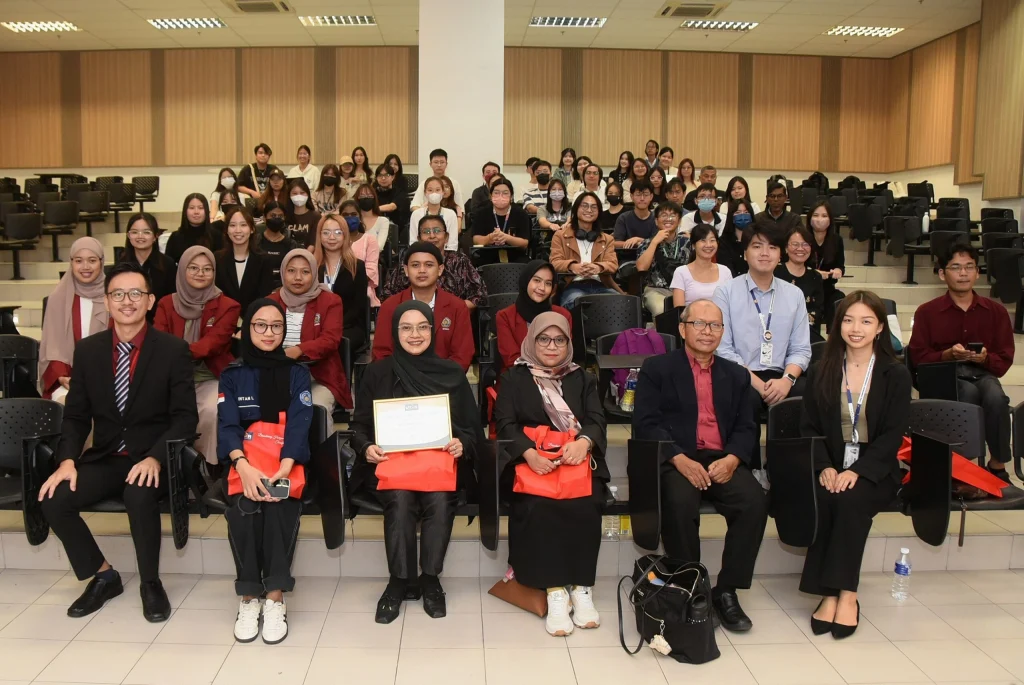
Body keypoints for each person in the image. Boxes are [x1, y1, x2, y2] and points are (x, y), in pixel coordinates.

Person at [38, 261, 197, 622]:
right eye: (118, 294)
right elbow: (76, 416)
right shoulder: (89, 351)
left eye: (136, 293)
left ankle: (150, 583)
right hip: (108, 455)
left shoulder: (173, 350)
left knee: (138, 494)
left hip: (153, 457)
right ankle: (104, 575)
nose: (127, 301)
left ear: (150, 300)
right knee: (53, 497)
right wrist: (67, 460)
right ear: (107, 302)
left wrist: (156, 457)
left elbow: (185, 417)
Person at [632, 298, 766, 633]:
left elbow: (747, 426)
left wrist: (733, 458)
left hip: (722, 458)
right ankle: (690, 587)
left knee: (753, 501)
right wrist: (678, 458)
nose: (707, 331)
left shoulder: (736, 375)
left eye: (715, 325)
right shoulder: (657, 369)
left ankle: (727, 590)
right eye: (699, 323)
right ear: (682, 329)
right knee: (679, 502)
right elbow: (646, 423)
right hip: (676, 457)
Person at [350, 300, 481, 624]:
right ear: (394, 332)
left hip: (439, 465)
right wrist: (366, 447)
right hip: (391, 466)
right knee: (400, 498)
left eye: (423, 327)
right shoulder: (377, 373)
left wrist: (462, 443)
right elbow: (359, 426)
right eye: (406, 328)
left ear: (433, 331)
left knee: (440, 498)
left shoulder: (451, 373)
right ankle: (398, 581)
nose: (415, 334)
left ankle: (430, 579)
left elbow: (472, 429)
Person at [798, 291, 910, 639]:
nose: (855, 328)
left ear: (880, 328)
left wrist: (858, 471)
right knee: (827, 496)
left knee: (850, 500)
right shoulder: (822, 369)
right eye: (848, 320)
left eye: (865, 321)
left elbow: (893, 435)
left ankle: (845, 594)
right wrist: (824, 466)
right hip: (831, 463)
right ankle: (830, 593)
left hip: (876, 467)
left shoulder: (895, 373)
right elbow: (809, 426)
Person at [494, 312, 607, 636]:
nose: (552, 346)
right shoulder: (514, 378)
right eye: (544, 339)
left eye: (559, 340)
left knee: (586, 503)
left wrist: (584, 443)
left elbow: (597, 420)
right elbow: (505, 424)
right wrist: (528, 453)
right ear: (532, 340)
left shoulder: (582, 378)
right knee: (538, 506)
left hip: (575, 461)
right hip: (530, 463)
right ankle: (555, 591)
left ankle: (581, 588)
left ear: (569, 343)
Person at [219, 298, 313, 645]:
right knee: (245, 509)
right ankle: (248, 596)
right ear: (247, 328)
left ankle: (274, 597)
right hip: (244, 463)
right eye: (260, 325)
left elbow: (300, 424)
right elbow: (227, 425)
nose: (268, 332)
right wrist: (242, 466)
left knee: (279, 508)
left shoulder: (297, 373)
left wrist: (286, 465)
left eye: (276, 326)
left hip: (286, 462)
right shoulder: (232, 374)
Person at [907, 244, 1015, 480]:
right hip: (943, 374)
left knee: (996, 398)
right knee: (967, 394)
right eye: (956, 267)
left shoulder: (996, 312)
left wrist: (985, 358)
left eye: (969, 267)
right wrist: (946, 355)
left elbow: (1004, 360)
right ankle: (963, 468)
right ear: (942, 273)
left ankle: (997, 464)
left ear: (977, 273)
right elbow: (917, 358)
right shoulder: (927, 312)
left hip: (981, 372)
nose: (963, 273)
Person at [713, 225, 811, 468]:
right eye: (757, 246)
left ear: (780, 255)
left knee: (807, 396)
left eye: (772, 247)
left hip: (781, 375)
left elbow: (801, 349)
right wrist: (757, 383)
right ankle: (750, 468)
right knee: (745, 397)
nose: (765, 253)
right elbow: (723, 349)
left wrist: (787, 380)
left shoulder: (794, 294)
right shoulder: (726, 292)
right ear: (745, 253)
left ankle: (785, 469)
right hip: (740, 374)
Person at [154, 246, 240, 463]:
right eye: (193, 268)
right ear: (182, 269)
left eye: (207, 269)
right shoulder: (166, 304)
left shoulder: (228, 306)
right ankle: (166, 465)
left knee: (211, 410)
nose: (200, 273)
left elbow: (212, 344)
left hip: (209, 377)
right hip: (170, 378)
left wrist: (176, 352)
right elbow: (158, 341)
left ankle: (205, 467)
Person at [269, 249, 351, 418]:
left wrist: (299, 350)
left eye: (305, 272)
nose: (298, 277)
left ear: (314, 273)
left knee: (313, 411)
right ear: (283, 272)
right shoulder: (270, 302)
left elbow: (330, 340)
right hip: (274, 374)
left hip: (317, 376)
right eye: (291, 271)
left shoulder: (330, 301)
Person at [373, 241, 475, 370]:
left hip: (445, 378)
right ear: (406, 270)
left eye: (429, 265)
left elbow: (462, 355)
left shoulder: (457, 307)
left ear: (440, 270)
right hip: (400, 379)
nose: (422, 270)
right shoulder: (390, 306)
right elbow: (382, 354)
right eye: (415, 265)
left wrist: (439, 378)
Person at [39, 237, 109, 402]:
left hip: (108, 376)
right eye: (78, 261)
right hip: (68, 377)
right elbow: (52, 346)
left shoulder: (113, 295)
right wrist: (62, 376)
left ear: (101, 262)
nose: (85, 267)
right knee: (69, 403)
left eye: (92, 260)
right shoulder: (58, 298)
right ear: (71, 263)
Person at [383, 215, 487, 310]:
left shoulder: (459, 261)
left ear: (446, 237)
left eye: (437, 231)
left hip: (453, 316)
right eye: (426, 232)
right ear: (419, 238)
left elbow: (479, 295)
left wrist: (454, 309)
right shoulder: (409, 262)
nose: (432, 236)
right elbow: (388, 295)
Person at [496, 261, 572, 370]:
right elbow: (511, 358)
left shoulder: (563, 315)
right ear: (526, 281)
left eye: (548, 283)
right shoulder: (505, 316)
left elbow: (564, 354)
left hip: (556, 374)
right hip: (519, 374)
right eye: (537, 280)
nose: (542, 288)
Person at [550, 192, 620, 309]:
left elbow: (613, 264)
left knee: (622, 303)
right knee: (578, 302)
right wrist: (573, 266)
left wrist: (598, 267)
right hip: (572, 286)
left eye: (594, 207)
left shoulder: (607, 239)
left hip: (601, 285)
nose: (589, 210)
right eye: (584, 206)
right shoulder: (560, 236)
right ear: (576, 209)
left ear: (599, 212)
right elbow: (555, 262)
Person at [313, 213, 370, 353]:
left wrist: (333, 326)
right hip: (316, 324)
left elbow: (358, 307)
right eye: (326, 233)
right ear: (319, 236)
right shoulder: (311, 266)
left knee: (335, 343)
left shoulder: (357, 267)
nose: (332, 237)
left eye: (338, 232)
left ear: (345, 235)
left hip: (348, 326)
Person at [636, 201, 692, 317]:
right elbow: (641, 267)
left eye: (672, 215)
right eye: (664, 215)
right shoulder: (647, 243)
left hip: (685, 289)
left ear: (679, 221)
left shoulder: (688, 243)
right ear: (656, 221)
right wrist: (655, 242)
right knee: (661, 310)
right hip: (656, 290)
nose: (668, 219)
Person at [215, 207, 274, 316]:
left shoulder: (264, 260)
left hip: (254, 319)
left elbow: (264, 297)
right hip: (224, 318)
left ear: (252, 229)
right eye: (233, 225)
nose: (238, 230)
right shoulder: (217, 259)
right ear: (226, 230)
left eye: (243, 225)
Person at [121, 214, 175, 323]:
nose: (140, 236)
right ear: (128, 235)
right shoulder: (121, 265)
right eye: (135, 232)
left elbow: (171, 301)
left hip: (160, 323)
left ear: (155, 236)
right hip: (128, 321)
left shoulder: (167, 264)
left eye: (146, 232)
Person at [775, 226, 825, 342]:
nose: (800, 248)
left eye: (805, 244)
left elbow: (818, 310)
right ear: (786, 248)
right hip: (778, 332)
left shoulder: (815, 276)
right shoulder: (774, 273)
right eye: (795, 244)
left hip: (807, 333)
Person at [471, 178, 531, 266]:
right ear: (490, 196)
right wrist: (490, 238)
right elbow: (476, 240)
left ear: (511, 196)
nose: (500, 196)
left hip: (516, 256)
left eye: (505, 193)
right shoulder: (481, 213)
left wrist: (507, 238)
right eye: (496, 193)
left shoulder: (521, 213)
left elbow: (524, 243)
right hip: (487, 256)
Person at [671, 223, 733, 308]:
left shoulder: (725, 271)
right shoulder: (681, 272)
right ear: (693, 245)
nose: (708, 245)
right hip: (691, 316)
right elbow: (679, 310)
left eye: (712, 240)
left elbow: (731, 305)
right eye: (703, 240)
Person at [808, 200, 846, 324]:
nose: (820, 219)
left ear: (830, 220)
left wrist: (838, 271)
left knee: (839, 301)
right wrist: (815, 273)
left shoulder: (836, 240)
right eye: (816, 215)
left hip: (827, 288)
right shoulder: (803, 238)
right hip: (807, 288)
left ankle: (834, 334)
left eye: (824, 216)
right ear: (809, 218)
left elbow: (841, 266)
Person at [339, 201, 381, 309]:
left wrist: (350, 283)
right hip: (337, 284)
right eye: (345, 215)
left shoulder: (370, 239)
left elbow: (371, 270)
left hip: (362, 285)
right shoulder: (335, 239)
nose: (349, 218)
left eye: (353, 214)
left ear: (360, 217)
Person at [166, 194, 223, 264]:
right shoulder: (175, 237)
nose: (196, 212)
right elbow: (168, 265)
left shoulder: (217, 236)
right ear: (185, 211)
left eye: (200, 208)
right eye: (192, 208)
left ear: (206, 211)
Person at [410, 177, 459, 251]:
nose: (434, 193)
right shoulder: (416, 214)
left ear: (443, 192)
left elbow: (452, 244)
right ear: (425, 193)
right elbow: (413, 242)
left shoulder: (451, 214)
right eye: (430, 190)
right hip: (422, 253)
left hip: (445, 254)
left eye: (437, 190)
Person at [411, 148, 464, 215]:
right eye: (436, 162)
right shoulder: (424, 183)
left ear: (446, 164)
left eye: (442, 162)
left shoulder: (454, 183)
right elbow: (414, 206)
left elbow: (460, 209)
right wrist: (427, 214)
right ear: (430, 164)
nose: (439, 165)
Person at [258, 201, 300, 284]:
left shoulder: (292, 245)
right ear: (264, 218)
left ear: (284, 218)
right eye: (273, 216)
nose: (277, 218)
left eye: (280, 216)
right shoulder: (256, 241)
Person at [716, 199, 755, 277]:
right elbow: (725, 269)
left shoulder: (758, 239)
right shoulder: (724, 241)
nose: (742, 215)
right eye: (738, 212)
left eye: (746, 212)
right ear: (731, 217)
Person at [613, 178, 656, 248]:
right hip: (626, 254)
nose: (642, 198)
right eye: (638, 194)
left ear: (651, 197)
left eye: (645, 194)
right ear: (631, 196)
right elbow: (615, 243)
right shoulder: (623, 218)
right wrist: (636, 243)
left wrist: (639, 240)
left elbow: (659, 243)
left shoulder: (657, 218)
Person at [373, 163, 410, 231]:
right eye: (380, 175)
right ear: (376, 178)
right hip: (376, 227)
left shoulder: (400, 192)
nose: (383, 178)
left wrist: (373, 209)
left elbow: (391, 207)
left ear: (393, 177)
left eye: (387, 175)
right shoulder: (373, 193)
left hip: (396, 228)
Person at [354, 183, 390, 250]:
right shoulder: (353, 220)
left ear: (374, 198)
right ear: (357, 199)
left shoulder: (383, 221)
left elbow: (379, 246)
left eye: (369, 195)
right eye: (362, 195)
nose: (366, 198)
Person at [285, 178, 320, 248]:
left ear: (308, 194)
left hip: (308, 253)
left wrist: (304, 254)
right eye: (294, 193)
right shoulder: (284, 216)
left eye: (302, 193)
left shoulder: (315, 216)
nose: (299, 196)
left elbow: (313, 243)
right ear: (289, 196)